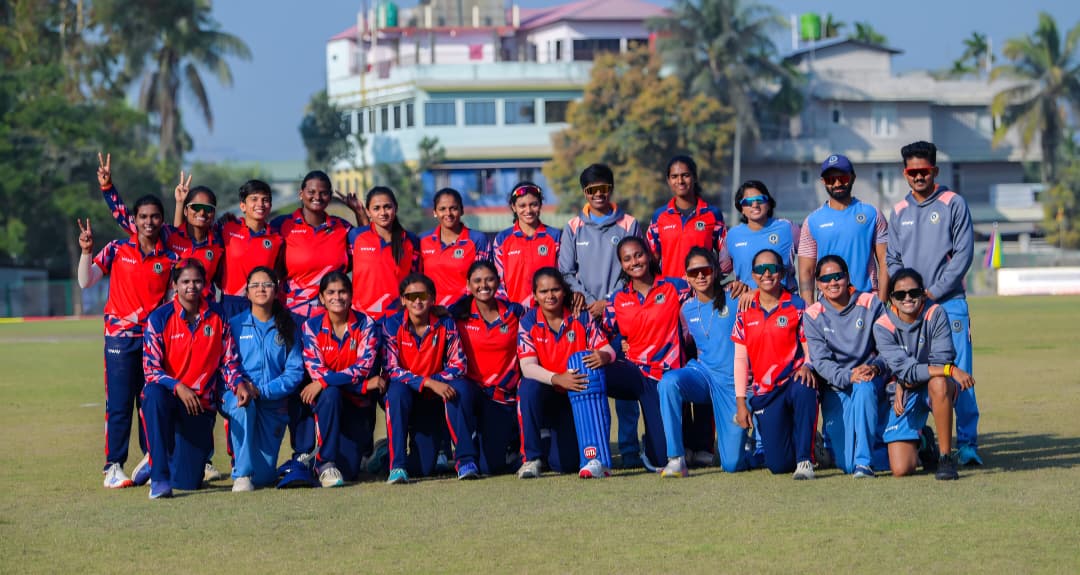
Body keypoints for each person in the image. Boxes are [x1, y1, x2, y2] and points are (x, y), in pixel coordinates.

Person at [886, 141, 980, 465]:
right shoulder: (898, 212)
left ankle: (967, 445)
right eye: (913, 172)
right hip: (911, 309)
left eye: (924, 171)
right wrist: (907, 296)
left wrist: (934, 292)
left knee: (959, 373)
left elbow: (963, 255)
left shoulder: (953, 203)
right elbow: (893, 259)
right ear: (905, 174)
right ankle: (924, 438)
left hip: (949, 303)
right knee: (917, 374)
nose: (918, 176)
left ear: (934, 171)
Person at [76, 199, 178, 490]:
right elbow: (86, 281)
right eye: (143, 216)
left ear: (162, 220)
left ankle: (151, 458)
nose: (149, 222)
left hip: (152, 340)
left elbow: (172, 300)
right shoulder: (118, 249)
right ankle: (114, 466)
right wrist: (86, 252)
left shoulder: (170, 257)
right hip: (119, 338)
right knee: (119, 404)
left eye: (155, 216)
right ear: (134, 219)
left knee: (151, 401)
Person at [516, 268, 642, 479]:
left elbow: (603, 349)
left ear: (564, 291)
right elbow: (527, 366)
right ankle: (532, 458)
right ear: (535, 295)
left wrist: (605, 356)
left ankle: (552, 442)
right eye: (544, 291)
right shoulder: (528, 322)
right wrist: (557, 378)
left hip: (577, 395)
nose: (550, 296)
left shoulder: (581, 316)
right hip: (548, 388)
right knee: (528, 387)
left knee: (565, 464)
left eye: (555, 289)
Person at [140, 259, 251, 499]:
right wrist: (178, 386)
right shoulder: (159, 318)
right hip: (170, 398)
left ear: (205, 283)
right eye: (185, 281)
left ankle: (159, 458)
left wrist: (239, 384)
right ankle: (158, 477)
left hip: (200, 405)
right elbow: (151, 369)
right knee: (152, 394)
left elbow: (228, 360)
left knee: (188, 482)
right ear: (174, 284)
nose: (192, 286)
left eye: (197, 281)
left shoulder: (218, 315)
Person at [558, 163, 643, 468]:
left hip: (620, 313)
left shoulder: (629, 224)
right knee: (588, 381)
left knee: (625, 380)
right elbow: (565, 271)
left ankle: (631, 449)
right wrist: (589, 301)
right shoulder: (572, 227)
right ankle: (593, 448)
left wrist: (607, 302)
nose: (598, 194)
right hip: (584, 316)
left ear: (611, 189)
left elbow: (633, 269)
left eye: (603, 189)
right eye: (592, 190)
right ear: (585, 193)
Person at [873, 268, 975, 480]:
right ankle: (925, 442)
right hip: (905, 390)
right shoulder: (882, 326)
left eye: (914, 292)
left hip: (931, 386)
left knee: (939, 383)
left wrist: (910, 379)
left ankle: (946, 459)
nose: (908, 298)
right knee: (901, 469)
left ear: (923, 293)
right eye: (900, 294)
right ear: (891, 298)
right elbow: (907, 371)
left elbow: (941, 360)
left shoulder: (935, 313)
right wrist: (950, 370)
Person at [657, 248, 748, 477]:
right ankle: (676, 458)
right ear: (686, 276)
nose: (700, 276)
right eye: (693, 272)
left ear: (716, 271)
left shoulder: (736, 297)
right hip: (703, 375)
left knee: (731, 464)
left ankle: (754, 446)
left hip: (731, 383)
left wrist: (751, 291)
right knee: (668, 382)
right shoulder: (686, 308)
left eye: (705, 270)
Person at [603, 236, 691, 471]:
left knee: (661, 458)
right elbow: (612, 336)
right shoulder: (616, 299)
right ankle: (595, 456)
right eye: (627, 259)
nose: (635, 262)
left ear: (650, 255)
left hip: (664, 378)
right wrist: (612, 349)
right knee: (589, 373)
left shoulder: (677, 287)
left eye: (639, 255)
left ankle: (650, 444)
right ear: (622, 265)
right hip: (633, 372)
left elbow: (706, 299)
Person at [382, 273, 479, 483]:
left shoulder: (446, 324)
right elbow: (391, 369)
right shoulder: (391, 325)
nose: (417, 301)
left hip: (434, 398)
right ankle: (396, 465)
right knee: (395, 391)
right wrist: (427, 382)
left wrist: (434, 381)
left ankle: (465, 460)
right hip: (409, 395)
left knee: (460, 387)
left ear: (433, 298)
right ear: (403, 300)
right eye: (411, 296)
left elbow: (459, 365)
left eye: (423, 295)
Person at [733, 249, 818, 479]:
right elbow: (741, 359)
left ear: (782, 272)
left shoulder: (797, 305)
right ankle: (807, 444)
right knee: (778, 466)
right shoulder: (744, 310)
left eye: (773, 268)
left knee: (805, 386)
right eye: (761, 269)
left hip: (793, 380)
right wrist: (741, 403)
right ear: (753, 275)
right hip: (766, 391)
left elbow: (810, 347)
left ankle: (805, 460)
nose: (767, 273)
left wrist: (807, 366)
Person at [802, 255, 889, 478]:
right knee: (845, 464)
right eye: (826, 278)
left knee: (864, 386)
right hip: (837, 386)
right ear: (818, 283)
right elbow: (820, 361)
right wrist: (848, 375)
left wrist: (876, 368)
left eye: (838, 276)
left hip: (870, 380)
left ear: (847, 277)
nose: (833, 283)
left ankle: (865, 464)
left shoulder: (871, 303)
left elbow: (889, 348)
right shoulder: (812, 315)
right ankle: (844, 450)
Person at [221, 267, 305, 491]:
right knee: (243, 405)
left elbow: (294, 372)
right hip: (237, 394)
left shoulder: (288, 325)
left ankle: (249, 466)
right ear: (246, 293)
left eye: (266, 285)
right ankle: (242, 474)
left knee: (264, 477)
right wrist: (241, 386)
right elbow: (225, 363)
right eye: (255, 285)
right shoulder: (234, 324)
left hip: (272, 403)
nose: (261, 289)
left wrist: (263, 391)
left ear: (276, 291)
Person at [97, 153, 224, 300]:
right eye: (196, 207)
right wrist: (107, 188)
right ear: (186, 210)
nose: (202, 212)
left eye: (207, 208)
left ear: (213, 213)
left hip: (206, 315)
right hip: (174, 317)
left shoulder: (219, 243)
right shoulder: (169, 235)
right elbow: (126, 219)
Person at [298, 272, 382, 487]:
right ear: (322, 298)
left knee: (350, 472)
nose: (337, 297)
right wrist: (361, 385)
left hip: (356, 403)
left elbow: (362, 368)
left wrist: (325, 382)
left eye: (343, 291)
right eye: (331, 292)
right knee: (331, 393)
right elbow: (317, 372)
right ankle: (324, 463)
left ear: (351, 295)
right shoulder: (310, 327)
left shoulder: (367, 324)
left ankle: (376, 450)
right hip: (331, 401)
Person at [451, 261, 525, 475]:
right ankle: (464, 459)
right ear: (468, 285)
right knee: (457, 388)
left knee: (489, 467)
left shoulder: (514, 312)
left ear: (498, 282)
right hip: (472, 393)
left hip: (501, 396)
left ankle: (510, 440)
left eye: (489, 279)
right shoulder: (457, 314)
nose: (483, 285)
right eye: (477, 281)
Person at [798, 154, 889, 305]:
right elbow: (806, 272)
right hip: (828, 304)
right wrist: (810, 311)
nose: (837, 183)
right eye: (831, 180)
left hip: (866, 301)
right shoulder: (812, 221)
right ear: (823, 182)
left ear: (852, 177)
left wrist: (881, 303)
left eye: (843, 178)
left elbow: (886, 262)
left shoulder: (872, 214)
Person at [271, 170, 354, 318]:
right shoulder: (282, 224)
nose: (317, 197)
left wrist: (359, 212)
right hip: (291, 314)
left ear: (330, 196)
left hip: (333, 317)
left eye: (323, 193)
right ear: (301, 194)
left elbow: (369, 250)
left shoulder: (343, 228)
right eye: (311, 192)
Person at [647, 155, 732, 278]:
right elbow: (651, 259)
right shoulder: (659, 217)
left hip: (703, 292)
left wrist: (714, 279)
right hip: (671, 293)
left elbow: (726, 257)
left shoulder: (712, 214)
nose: (680, 181)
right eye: (674, 177)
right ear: (668, 180)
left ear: (695, 177)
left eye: (685, 175)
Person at [348, 186, 421, 320]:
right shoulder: (355, 236)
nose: (383, 212)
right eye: (376, 208)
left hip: (397, 319)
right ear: (368, 212)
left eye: (387, 207)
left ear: (396, 208)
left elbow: (418, 281)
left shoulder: (411, 240)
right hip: (362, 319)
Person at [216, 180, 285, 319]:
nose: (260, 204)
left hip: (262, 305)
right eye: (254, 199)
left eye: (265, 200)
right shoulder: (227, 229)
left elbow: (280, 273)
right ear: (243, 206)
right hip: (231, 304)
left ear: (270, 206)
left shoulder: (277, 239)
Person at [419, 188, 491, 307]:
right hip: (432, 313)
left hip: (466, 313)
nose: (448, 213)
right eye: (442, 209)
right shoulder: (422, 240)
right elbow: (417, 281)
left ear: (462, 210)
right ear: (434, 212)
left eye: (453, 208)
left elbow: (485, 280)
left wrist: (463, 308)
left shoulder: (477, 240)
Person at [726, 180, 800, 295]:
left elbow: (812, 259)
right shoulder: (732, 235)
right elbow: (720, 271)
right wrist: (730, 284)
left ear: (769, 203)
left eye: (760, 200)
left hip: (784, 304)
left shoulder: (787, 228)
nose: (755, 205)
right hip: (747, 306)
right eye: (748, 202)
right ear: (741, 209)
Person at [493, 182, 560, 307]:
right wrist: (508, 309)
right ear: (514, 207)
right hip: (513, 313)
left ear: (540, 205)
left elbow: (562, 276)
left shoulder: (555, 237)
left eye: (533, 204)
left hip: (548, 312)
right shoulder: (502, 239)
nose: (528, 210)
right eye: (522, 205)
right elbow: (498, 281)